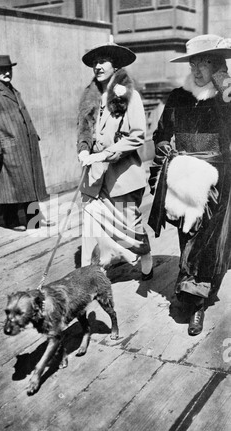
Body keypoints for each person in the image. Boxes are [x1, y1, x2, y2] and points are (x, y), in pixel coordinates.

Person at [148, 34, 231, 336]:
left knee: (203, 239)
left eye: (204, 63)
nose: (197, 70)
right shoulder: (178, 97)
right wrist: (162, 147)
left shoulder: (225, 101)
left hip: (216, 178)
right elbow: (160, 132)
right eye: (193, 63)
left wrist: (226, 89)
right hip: (181, 175)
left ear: (218, 66)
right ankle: (190, 286)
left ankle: (196, 302)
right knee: (187, 236)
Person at [77, 42, 153, 279]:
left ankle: (145, 254)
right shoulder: (90, 97)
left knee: (128, 228)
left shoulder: (130, 96)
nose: (98, 66)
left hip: (122, 176)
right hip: (94, 177)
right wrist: (82, 149)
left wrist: (105, 154)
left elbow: (138, 135)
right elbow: (84, 129)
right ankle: (87, 278)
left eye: (103, 61)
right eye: (95, 62)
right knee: (89, 225)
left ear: (115, 65)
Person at [0, 55, 53, 231]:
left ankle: (34, 218)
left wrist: (33, 136)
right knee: (10, 186)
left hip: (24, 146)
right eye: (2, 69)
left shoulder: (10, 89)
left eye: (9, 69)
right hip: (6, 148)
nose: (6, 72)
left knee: (29, 182)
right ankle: (11, 221)